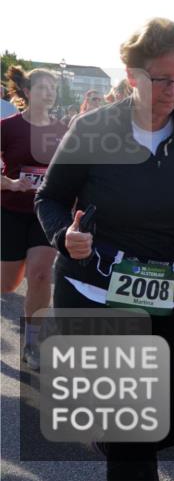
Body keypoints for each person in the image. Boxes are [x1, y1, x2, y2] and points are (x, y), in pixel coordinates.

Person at [35, 17, 174, 480]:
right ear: (132, 76)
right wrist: (65, 237)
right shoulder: (94, 128)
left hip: (169, 291)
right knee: (135, 436)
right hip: (98, 288)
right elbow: (51, 198)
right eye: (164, 80)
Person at [1, 66, 67, 369]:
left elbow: (72, 173)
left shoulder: (63, 131)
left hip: (46, 215)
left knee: (40, 275)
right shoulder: (7, 127)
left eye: (53, 88)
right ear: (27, 92)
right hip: (10, 211)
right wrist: (12, 184)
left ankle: (32, 343)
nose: (49, 93)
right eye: (42, 87)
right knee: (7, 284)